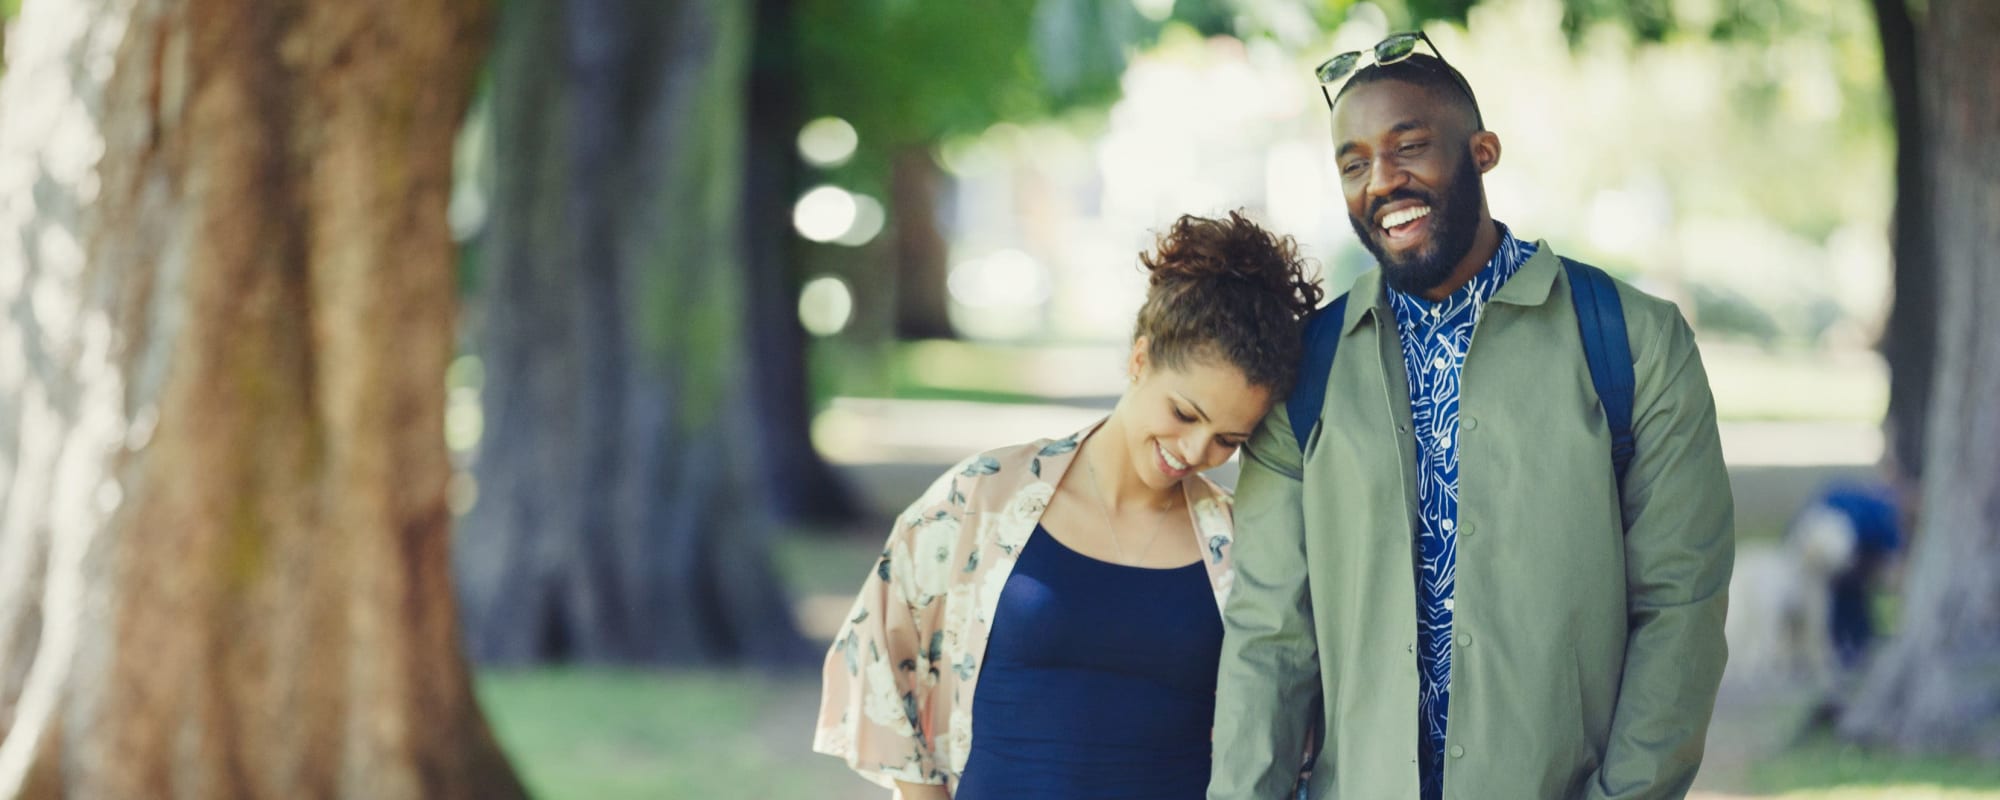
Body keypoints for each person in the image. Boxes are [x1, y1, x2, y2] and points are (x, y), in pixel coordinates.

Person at [1209, 32, 1735, 800]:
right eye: (1353, 163)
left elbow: (1680, 609)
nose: (1382, 181)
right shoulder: (1307, 364)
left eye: (1409, 147)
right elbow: (1269, 637)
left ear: (1482, 151)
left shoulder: (1633, 342)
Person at [814, 211, 1323, 799]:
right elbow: (877, 659)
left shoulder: (1240, 543)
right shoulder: (982, 499)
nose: (1194, 451)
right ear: (1140, 359)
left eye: (1227, 440)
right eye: (1184, 414)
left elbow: (1284, 714)